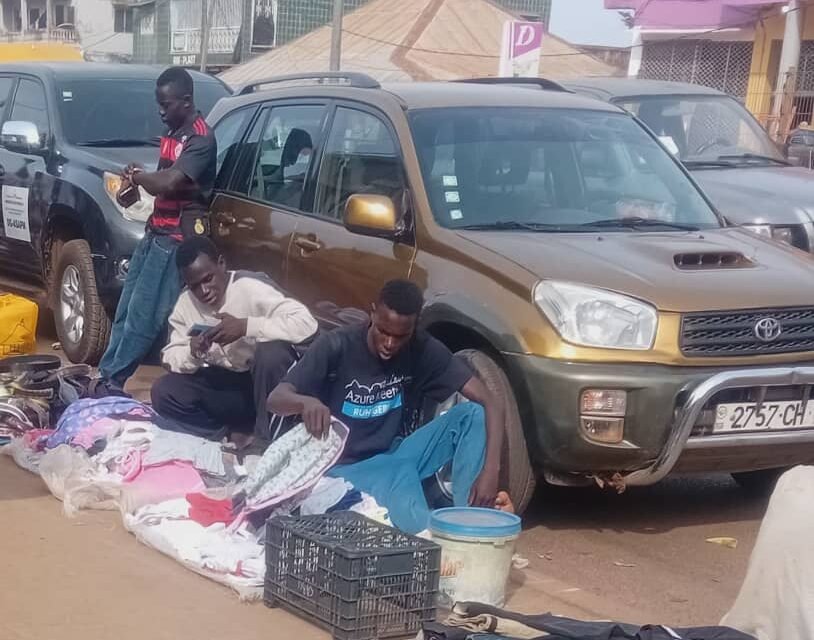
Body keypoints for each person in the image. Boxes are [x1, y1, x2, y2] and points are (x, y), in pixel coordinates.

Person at [268, 280, 508, 534]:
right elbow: (275, 398)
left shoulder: (422, 348)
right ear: (372, 313)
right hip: (343, 469)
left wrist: (490, 471)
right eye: (383, 331)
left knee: (472, 415)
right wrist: (306, 402)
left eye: (400, 336)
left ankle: (470, 522)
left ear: (414, 327)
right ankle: (441, 539)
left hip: (394, 453)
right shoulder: (337, 345)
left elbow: (490, 401)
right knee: (398, 471)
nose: (390, 343)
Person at [98, 67, 217, 388]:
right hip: (156, 230)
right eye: (159, 104)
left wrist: (139, 178)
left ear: (187, 101)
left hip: (177, 235)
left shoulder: (200, 137)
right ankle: (106, 374)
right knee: (126, 309)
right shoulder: (174, 134)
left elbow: (170, 181)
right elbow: (159, 180)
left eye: (166, 105)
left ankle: (113, 380)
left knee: (145, 314)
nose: (161, 111)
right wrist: (134, 181)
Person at [151, 237, 318, 441]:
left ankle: (269, 438)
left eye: (208, 279)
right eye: (194, 286)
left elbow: (306, 323)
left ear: (221, 264)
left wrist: (246, 326)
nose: (203, 291)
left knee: (272, 353)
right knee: (164, 391)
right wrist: (192, 352)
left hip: (264, 383)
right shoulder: (185, 303)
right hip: (227, 387)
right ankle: (228, 436)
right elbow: (170, 355)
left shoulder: (249, 287)